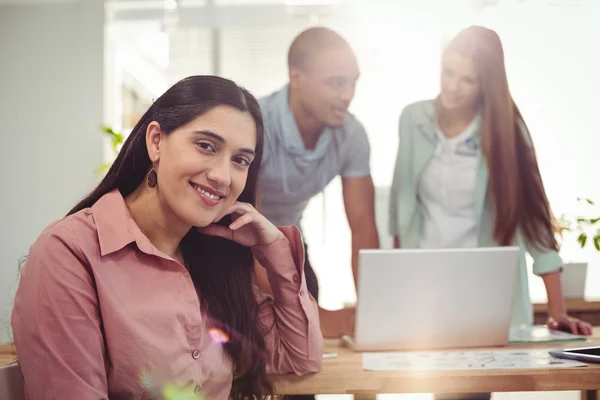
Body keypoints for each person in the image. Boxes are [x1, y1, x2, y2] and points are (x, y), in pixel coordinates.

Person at [11, 75, 323, 400]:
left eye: (240, 160)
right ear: (156, 141)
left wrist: (274, 248)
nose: (222, 176)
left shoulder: (215, 259)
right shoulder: (70, 253)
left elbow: (299, 358)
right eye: (206, 146)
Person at [389, 25, 592, 400]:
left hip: (481, 287)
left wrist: (558, 309)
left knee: (471, 392)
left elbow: (533, 220)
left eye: (468, 79)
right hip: (426, 282)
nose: (452, 86)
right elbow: (400, 206)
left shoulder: (506, 130)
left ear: (487, 84)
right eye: (448, 71)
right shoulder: (412, 119)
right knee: (433, 386)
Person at [255, 27, 380, 340]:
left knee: (309, 344)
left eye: (353, 81)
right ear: (296, 77)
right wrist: (315, 315)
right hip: (234, 242)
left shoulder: (351, 135)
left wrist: (373, 313)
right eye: (336, 82)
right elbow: (247, 232)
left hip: (289, 236)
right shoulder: (255, 124)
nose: (348, 94)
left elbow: (363, 227)